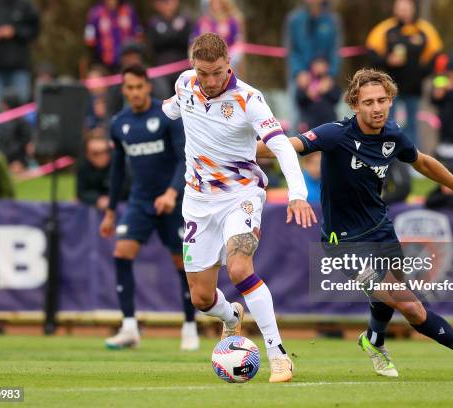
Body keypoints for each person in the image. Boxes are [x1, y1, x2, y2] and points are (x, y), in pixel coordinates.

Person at [256, 68, 453, 380]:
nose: (376, 107)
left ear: (390, 101)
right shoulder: (336, 134)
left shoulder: (393, 134)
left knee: (388, 297)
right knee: (411, 307)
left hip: (382, 229)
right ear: (355, 105)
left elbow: (424, 163)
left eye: (382, 100)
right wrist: (236, 150)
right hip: (344, 242)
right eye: (368, 102)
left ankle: (373, 341)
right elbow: (282, 147)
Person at [162, 33, 316, 382]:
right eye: (204, 73)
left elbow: (281, 146)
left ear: (229, 64)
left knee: (239, 267)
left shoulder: (249, 99)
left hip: (241, 196)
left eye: (218, 72)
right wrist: (165, 111)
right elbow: (173, 105)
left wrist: (297, 193)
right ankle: (232, 317)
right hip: (197, 203)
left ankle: (278, 354)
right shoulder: (185, 83)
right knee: (201, 298)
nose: (211, 81)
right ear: (193, 69)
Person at [99, 64, 199, 351]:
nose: (134, 93)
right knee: (121, 253)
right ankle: (129, 328)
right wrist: (109, 212)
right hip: (140, 202)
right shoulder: (120, 123)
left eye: (138, 87)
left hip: (174, 202)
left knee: (182, 264)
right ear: (124, 90)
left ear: (147, 87)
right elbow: (118, 169)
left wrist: (171, 193)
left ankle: (190, 327)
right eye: (128, 88)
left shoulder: (166, 116)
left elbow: (185, 158)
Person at [366, 0, 442, 147]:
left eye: (406, 8)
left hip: (414, 88)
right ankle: (388, 160)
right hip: (389, 88)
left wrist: (421, 74)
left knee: (413, 125)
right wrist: (387, 61)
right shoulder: (386, 29)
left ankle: (412, 162)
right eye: (400, 8)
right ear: (394, 9)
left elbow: (436, 55)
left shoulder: (424, 29)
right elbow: (372, 53)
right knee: (388, 123)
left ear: (413, 9)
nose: (403, 11)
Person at [285, 0, 342, 130]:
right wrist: (298, 72)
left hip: (324, 79)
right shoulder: (294, 19)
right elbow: (291, 50)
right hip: (300, 79)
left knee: (328, 122)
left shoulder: (332, 20)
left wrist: (330, 75)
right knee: (296, 121)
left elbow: (335, 50)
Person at [0, 0, 40, 113]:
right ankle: (0, 131)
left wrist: (15, 31)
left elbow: (34, 30)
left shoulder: (25, 5)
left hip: (20, 65)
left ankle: (22, 130)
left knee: (22, 104)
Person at [147, 0, 192, 94]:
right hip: (162, 70)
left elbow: (186, 40)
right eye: (163, 2)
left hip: (183, 67)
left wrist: (167, 35)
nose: (166, 5)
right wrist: (175, 33)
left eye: (169, 1)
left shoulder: (185, 19)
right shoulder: (153, 22)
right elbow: (155, 44)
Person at [84, 0, 143, 71]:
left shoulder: (129, 10)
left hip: (128, 62)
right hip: (105, 62)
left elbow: (138, 34)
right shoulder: (95, 13)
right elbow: (90, 40)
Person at [192, 0, 244, 73]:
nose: (216, 4)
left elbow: (238, 44)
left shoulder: (232, 22)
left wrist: (229, 60)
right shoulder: (203, 22)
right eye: (213, 2)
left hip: (227, 65)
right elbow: (193, 43)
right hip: (205, 64)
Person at [295, 57, 342, 132]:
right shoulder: (305, 80)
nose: (319, 68)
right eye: (317, 65)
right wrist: (307, 93)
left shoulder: (330, 82)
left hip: (328, 122)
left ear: (327, 67)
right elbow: (299, 99)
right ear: (312, 67)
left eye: (322, 65)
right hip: (309, 123)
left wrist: (327, 90)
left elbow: (336, 98)